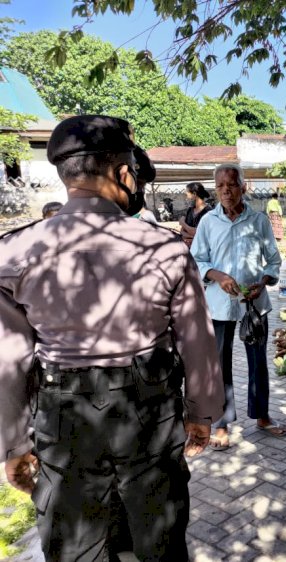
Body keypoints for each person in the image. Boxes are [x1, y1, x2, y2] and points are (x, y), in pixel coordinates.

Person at [0, 115, 224, 561]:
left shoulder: (14, 251)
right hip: (149, 411)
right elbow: (197, 343)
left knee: (77, 547)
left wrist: (14, 444)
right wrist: (201, 414)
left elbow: (10, 359)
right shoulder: (164, 249)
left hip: (64, 416)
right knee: (158, 542)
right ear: (125, 174)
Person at [191, 163, 285, 450]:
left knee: (258, 363)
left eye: (231, 185)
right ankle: (221, 424)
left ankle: (262, 416)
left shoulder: (259, 221)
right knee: (220, 365)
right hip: (219, 307)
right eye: (220, 186)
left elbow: (274, 260)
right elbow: (196, 260)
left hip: (254, 305)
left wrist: (264, 281)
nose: (226, 191)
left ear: (243, 187)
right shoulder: (208, 222)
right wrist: (217, 276)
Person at [179, 182, 212, 248]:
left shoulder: (209, 212)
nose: (187, 198)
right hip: (189, 249)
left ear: (194, 194)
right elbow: (182, 231)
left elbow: (199, 233)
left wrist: (183, 223)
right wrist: (194, 237)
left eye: (187, 195)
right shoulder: (190, 210)